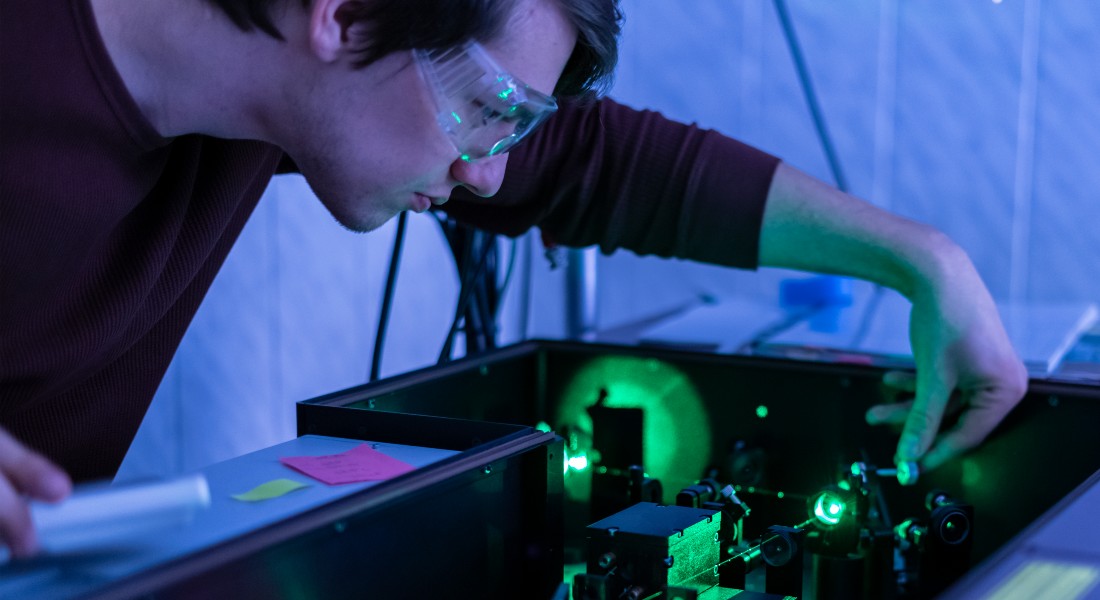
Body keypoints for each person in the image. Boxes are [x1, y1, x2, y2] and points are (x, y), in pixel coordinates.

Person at [0, 0, 1026, 558]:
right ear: (346, 13)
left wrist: (922, 261)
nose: (487, 171)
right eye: (493, 111)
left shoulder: (272, 95)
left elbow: (600, 166)